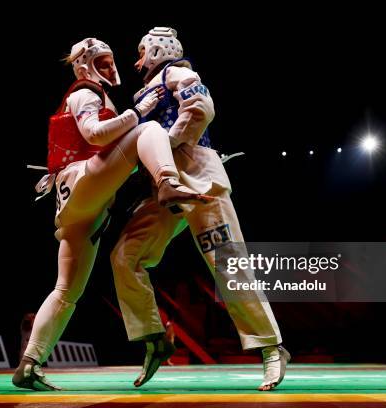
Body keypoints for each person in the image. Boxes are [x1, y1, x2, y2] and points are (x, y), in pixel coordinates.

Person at [12, 37, 209, 391]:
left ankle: (29, 364)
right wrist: (139, 113)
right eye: (102, 62)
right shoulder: (85, 91)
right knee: (146, 129)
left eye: (109, 61)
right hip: (83, 187)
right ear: (86, 65)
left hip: (84, 209)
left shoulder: (94, 95)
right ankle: (167, 182)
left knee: (66, 291)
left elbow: (107, 153)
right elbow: (95, 133)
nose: (110, 68)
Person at [110, 27, 289, 391]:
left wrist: (167, 142)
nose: (137, 60)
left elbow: (201, 108)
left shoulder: (176, 72)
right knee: (125, 257)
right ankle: (154, 339)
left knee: (227, 263)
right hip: (164, 188)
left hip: (199, 179)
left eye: (141, 52)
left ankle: (271, 347)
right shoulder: (141, 94)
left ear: (159, 49)